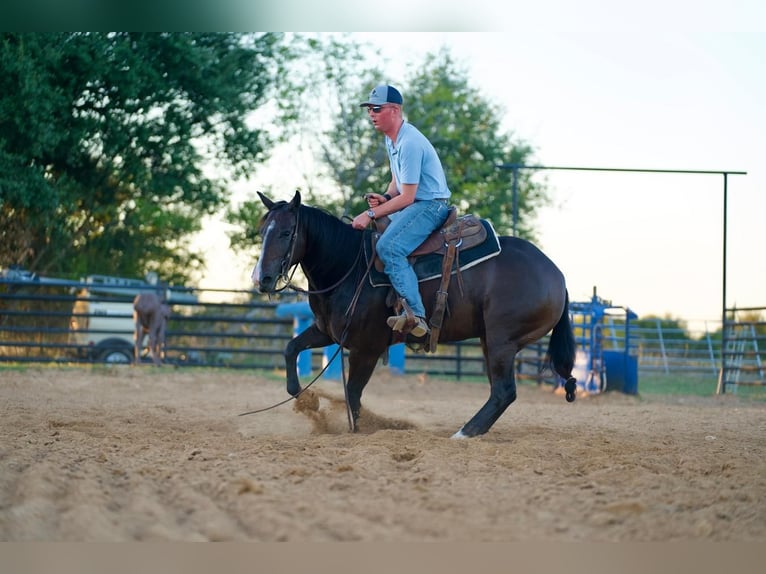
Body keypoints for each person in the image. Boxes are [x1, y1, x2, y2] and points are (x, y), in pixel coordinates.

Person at [351, 84, 451, 338]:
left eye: (376, 109)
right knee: (377, 241)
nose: (371, 114)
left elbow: (407, 197)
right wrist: (384, 197)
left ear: (394, 110)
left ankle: (415, 315)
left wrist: (371, 213)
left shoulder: (409, 143)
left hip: (430, 206)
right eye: (369, 110)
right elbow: (398, 182)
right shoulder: (392, 138)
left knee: (389, 247)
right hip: (417, 202)